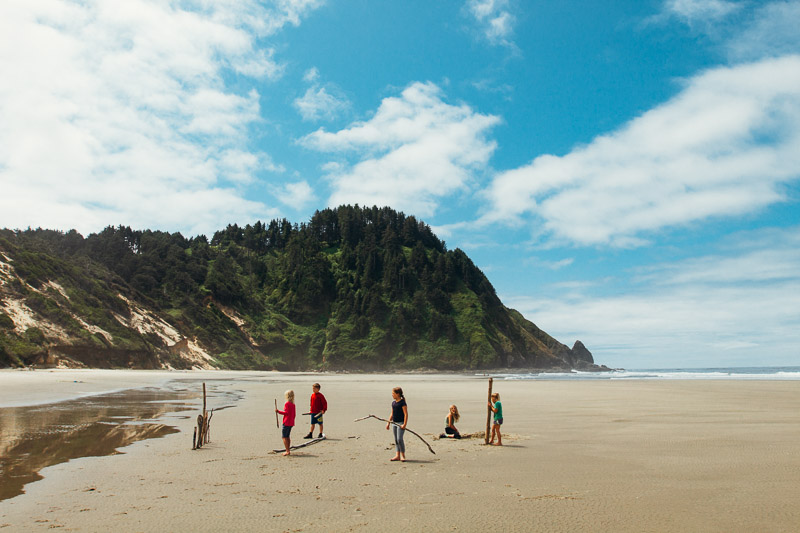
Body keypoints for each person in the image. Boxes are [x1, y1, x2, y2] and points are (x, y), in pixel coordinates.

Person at [386, 386, 408, 462]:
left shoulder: (402, 403)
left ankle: (403, 455)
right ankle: (397, 455)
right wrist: (388, 423)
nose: (392, 395)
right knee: (396, 440)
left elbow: (406, 414)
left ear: (398, 394)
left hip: (401, 423)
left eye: (393, 393)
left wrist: (404, 424)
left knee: (400, 439)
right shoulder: (393, 403)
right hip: (394, 423)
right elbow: (392, 413)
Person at [275, 389, 296, 456]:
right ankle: (288, 449)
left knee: (284, 437)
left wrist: (278, 412)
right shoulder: (293, 404)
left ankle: (287, 450)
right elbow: (294, 414)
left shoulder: (287, 404)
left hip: (286, 422)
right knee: (287, 436)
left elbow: (286, 413)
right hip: (291, 422)